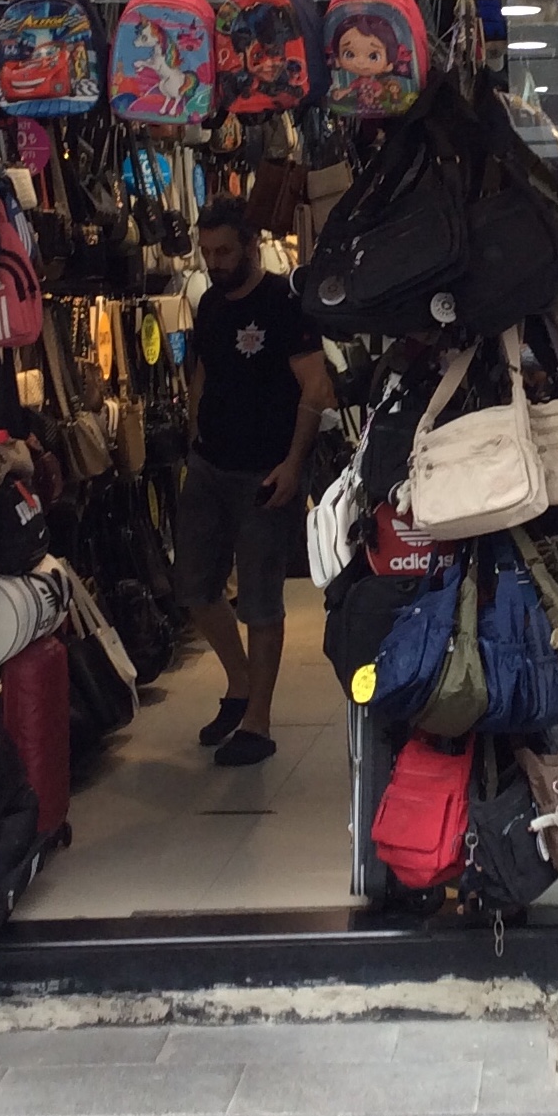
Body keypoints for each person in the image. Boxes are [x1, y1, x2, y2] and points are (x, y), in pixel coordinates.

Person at [179, 196, 332, 766]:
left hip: (265, 472)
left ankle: (258, 723)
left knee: (261, 601)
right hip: (209, 465)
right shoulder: (209, 304)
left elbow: (317, 389)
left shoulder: (284, 304)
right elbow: (203, 371)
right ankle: (240, 685)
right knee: (195, 588)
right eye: (207, 252)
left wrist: (293, 465)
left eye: (224, 251)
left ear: (249, 244)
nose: (214, 262)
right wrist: (194, 429)